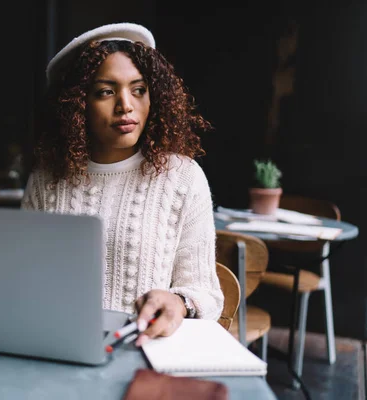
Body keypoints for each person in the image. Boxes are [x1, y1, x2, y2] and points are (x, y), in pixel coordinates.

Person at [21, 23, 223, 346]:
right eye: (106, 91)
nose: (125, 105)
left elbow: (206, 294)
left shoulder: (183, 177)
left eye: (138, 89)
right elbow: (22, 277)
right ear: (77, 104)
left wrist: (179, 302)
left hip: (143, 353)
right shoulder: (46, 179)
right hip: (55, 346)